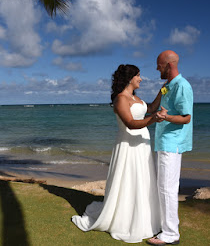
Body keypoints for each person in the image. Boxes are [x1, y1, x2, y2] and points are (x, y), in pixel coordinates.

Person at [72, 64, 166, 243]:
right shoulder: (121, 99)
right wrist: (153, 119)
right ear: (130, 78)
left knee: (143, 179)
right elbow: (130, 123)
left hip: (142, 145)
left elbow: (152, 107)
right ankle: (126, 219)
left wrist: (162, 91)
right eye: (138, 76)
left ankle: (145, 217)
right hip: (128, 146)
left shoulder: (135, 98)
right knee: (129, 179)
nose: (141, 79)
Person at [147, 50, 193, 246]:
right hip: (163, 142)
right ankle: (166, 227)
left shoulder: (182, 86)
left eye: (159, 64)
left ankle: (170, 234)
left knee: (167, 189)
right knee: (163, 187)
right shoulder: (167, 85)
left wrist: (165, 117)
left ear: (169, 65)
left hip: (171, 143)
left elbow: (186, 117)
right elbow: (152, 107)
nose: (157, 68)